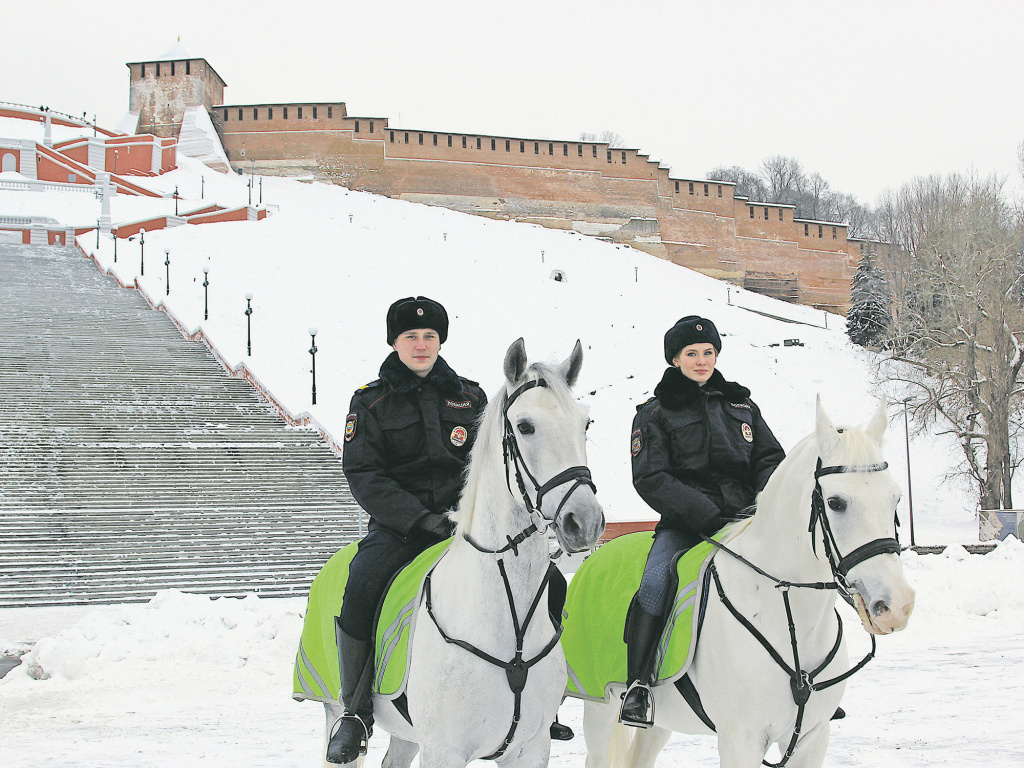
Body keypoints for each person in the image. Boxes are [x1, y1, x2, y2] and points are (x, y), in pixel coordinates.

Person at [329, 296, 488, 763]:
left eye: (430, 337)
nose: (421, 345)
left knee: (546, 582)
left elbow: (489, 466)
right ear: (394, 342)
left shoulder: (470, 397)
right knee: (360, 587)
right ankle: (356, 714)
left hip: (465, 526)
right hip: (401, 528)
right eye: (411, 337)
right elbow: (364, 474)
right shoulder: (371, 401)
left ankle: (541, 698)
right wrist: (419, 519)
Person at [620, 315, 785, 728]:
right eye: (691, 353)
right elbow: (651, 477)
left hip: (746, 521)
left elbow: (769, 459)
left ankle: (802, 678)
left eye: (708, 352)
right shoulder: (653, 413)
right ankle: (638, 685)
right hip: (686, 525)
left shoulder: (742, 406)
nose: (701, 360)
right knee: (655, 582)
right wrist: (705, 514)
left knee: (793, 572)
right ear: (674, 359)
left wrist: (763, 504)